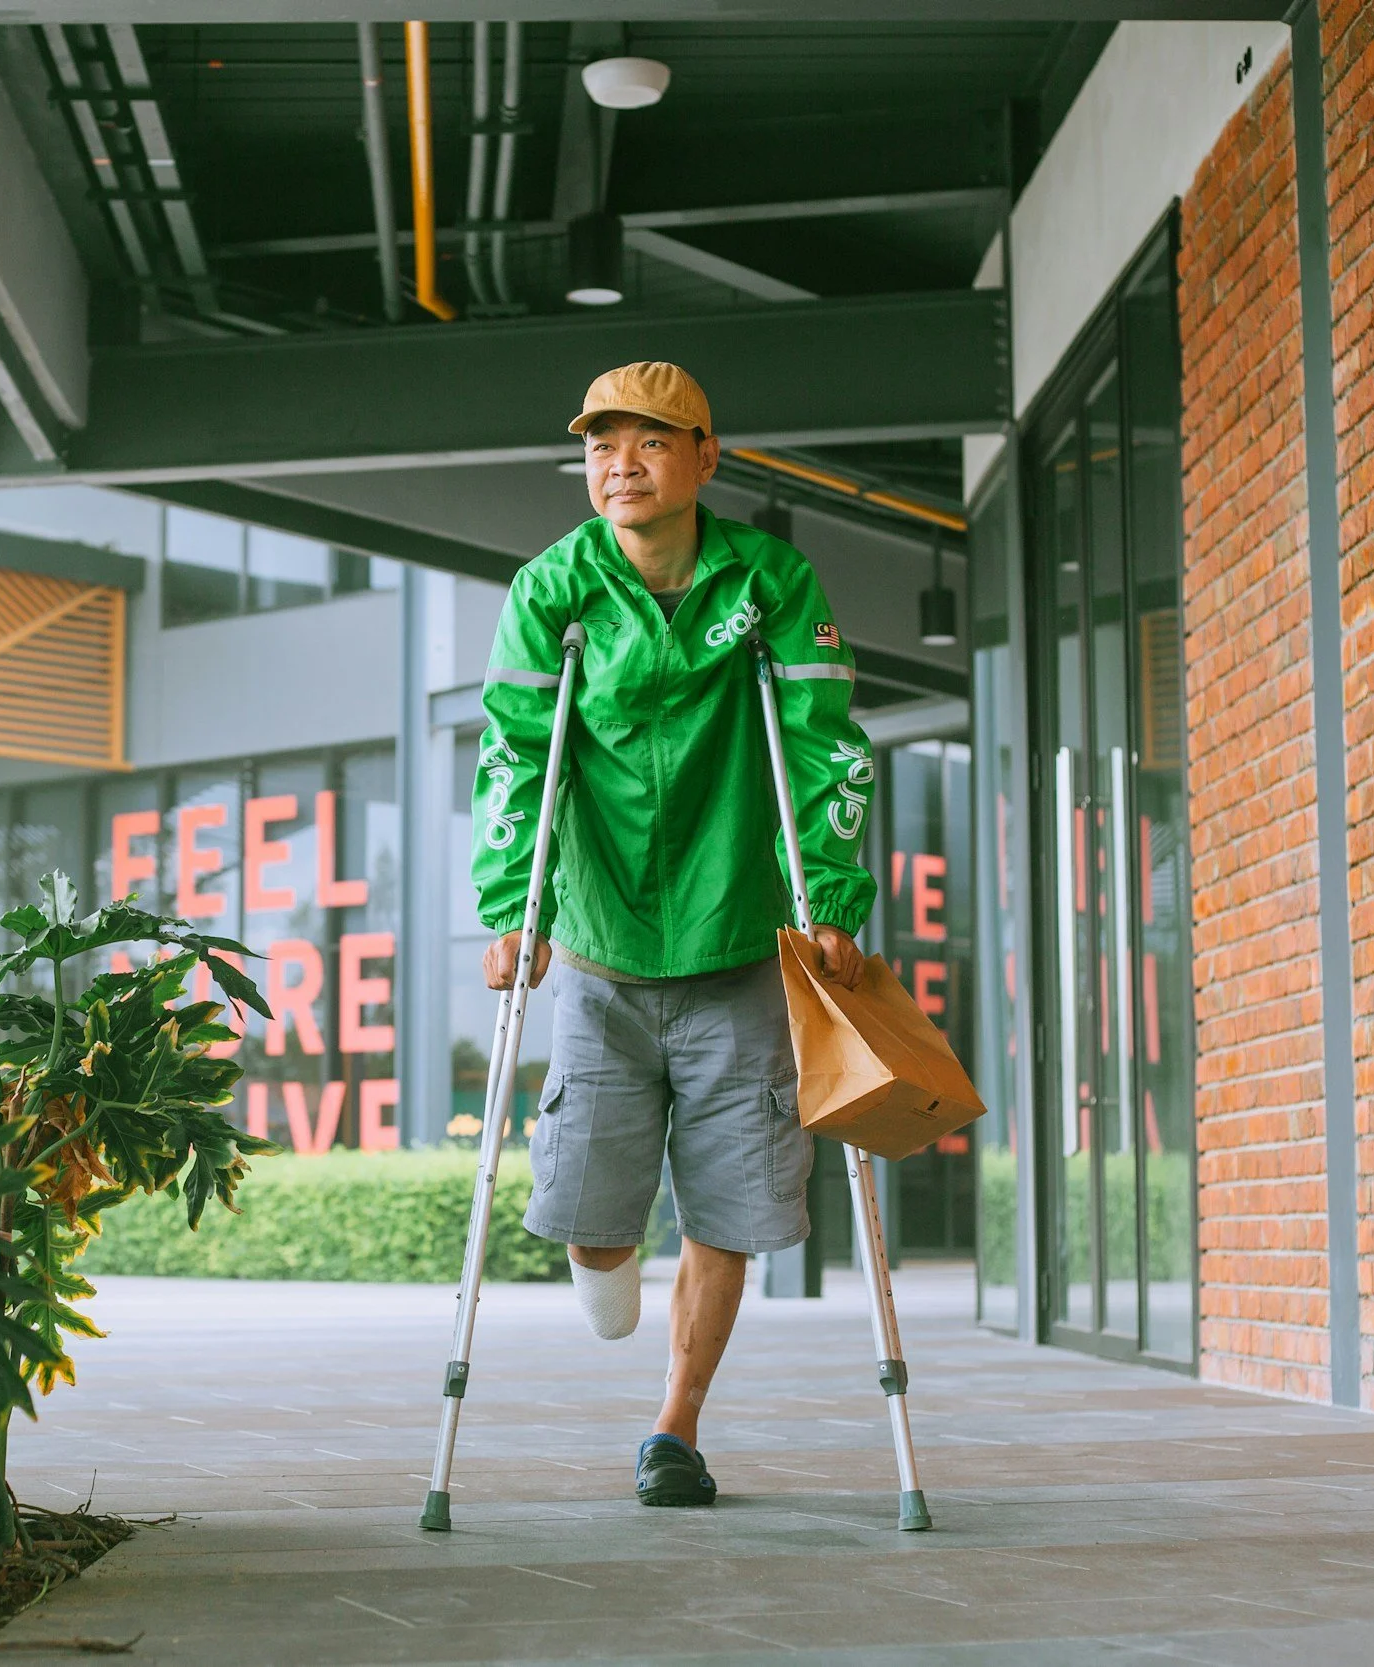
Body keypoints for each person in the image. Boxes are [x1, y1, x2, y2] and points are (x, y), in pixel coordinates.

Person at [472, 361, 874, 1508]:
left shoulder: (771, 580)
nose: (621, 466)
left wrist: (829, 896)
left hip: (738, 934)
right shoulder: (553, 587)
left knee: (729, 1200)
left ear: (706, 457)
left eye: (651, 443)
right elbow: (511, 752)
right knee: (592, 1227)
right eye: (602, 446)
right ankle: (608, 1274)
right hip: (600, 945)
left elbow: (824, 740)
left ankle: (675, 1426)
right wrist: (516, 907)